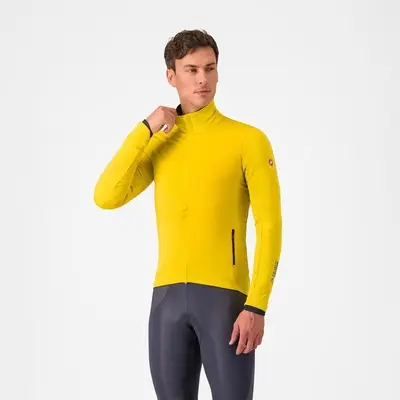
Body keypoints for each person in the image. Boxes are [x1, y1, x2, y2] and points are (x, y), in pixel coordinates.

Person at [94, 29, 282, 400]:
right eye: (191, 70)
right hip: (166, 302)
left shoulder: (248, 140)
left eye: (210, 69)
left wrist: (256, 305)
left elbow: (270, 225)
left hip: (225, 303)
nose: (202, 79)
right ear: (171, 76)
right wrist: (145, 129)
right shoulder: (160, 143)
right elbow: (106, 195)